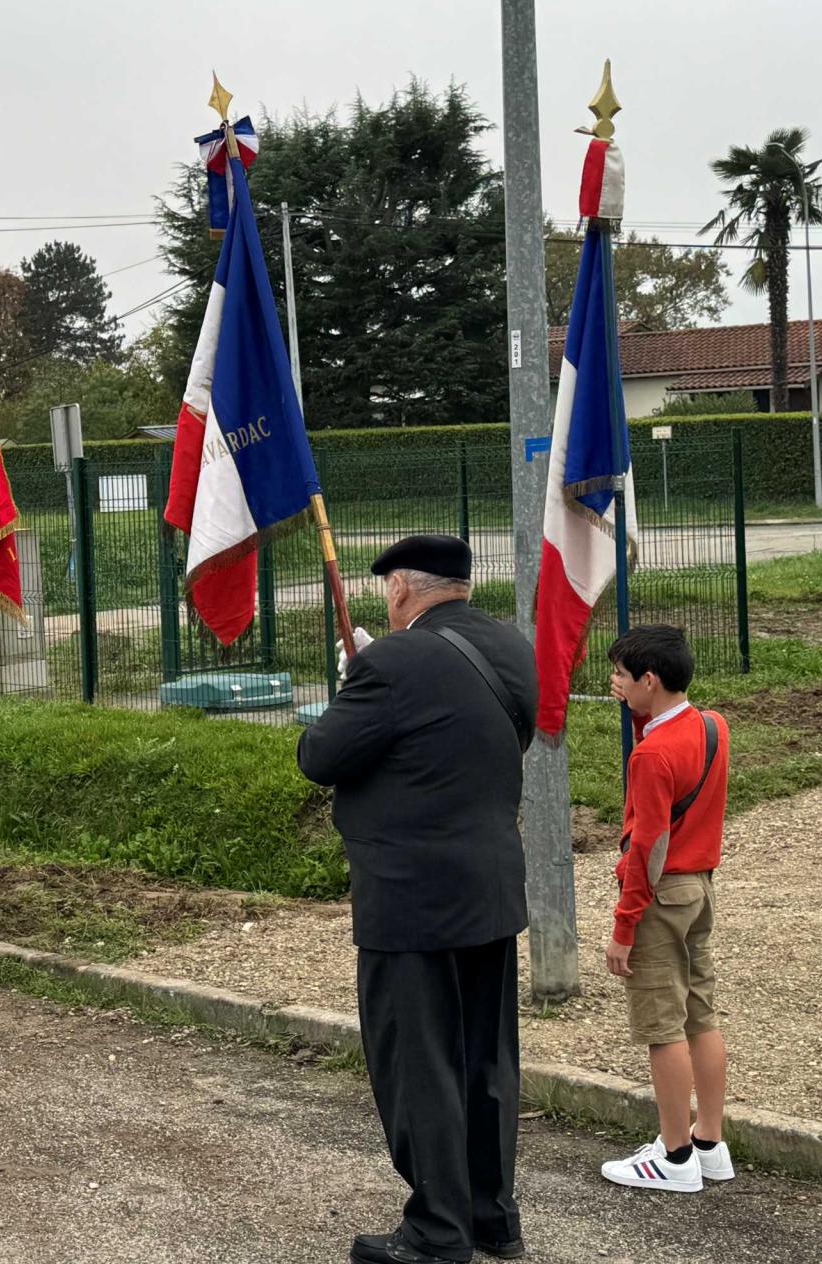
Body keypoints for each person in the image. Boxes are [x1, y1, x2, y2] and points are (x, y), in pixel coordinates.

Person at [296, 535, 536, 1264]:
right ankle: (493, 1218)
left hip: (412, 898)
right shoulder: (510, 646)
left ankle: (437, 1232)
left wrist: (360, 680)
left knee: (419, 1063)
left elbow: (321, 757)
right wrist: (380, 677)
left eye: (388, 589)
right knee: (486, 1060)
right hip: (491, 884)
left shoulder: (395, 661)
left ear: (402, 588)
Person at [599, 624, 734, 1193]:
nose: (615, 685)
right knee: (700, 1013)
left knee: (662, 1026)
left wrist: (623, 928)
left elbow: (648, 849)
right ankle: (709, 1143)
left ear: (649, 679)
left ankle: (674, 1158)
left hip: (660, 894)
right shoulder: (711, 724)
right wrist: (637, 714)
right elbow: (671, 763)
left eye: (623, 678)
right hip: (699, 887)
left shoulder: (650, 757)